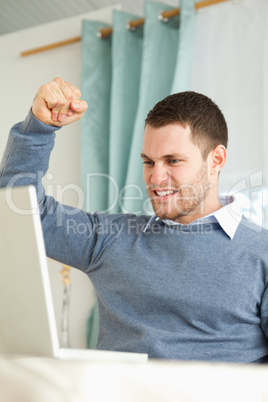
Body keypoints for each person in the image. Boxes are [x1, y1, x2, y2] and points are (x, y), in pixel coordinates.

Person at [1, 77, 268, 363]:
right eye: (149, 162)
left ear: (216, 160)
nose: (155, 177)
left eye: (173, 161)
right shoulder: (110, 238)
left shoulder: (260, 252)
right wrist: (38, 130)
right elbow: (19, 208)